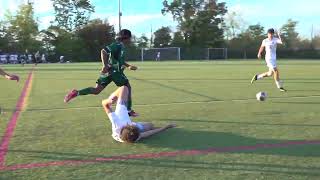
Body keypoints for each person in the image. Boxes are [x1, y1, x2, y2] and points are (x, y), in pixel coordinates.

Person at [64, 29, 139, 117]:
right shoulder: (117, 45)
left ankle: (76, 93)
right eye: (129, 38)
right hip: (114, 71)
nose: (130, 40)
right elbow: (103, 51)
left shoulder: (120, 46)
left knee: (97, 90)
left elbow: (120, 60)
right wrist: (105, 65)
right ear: (126, 38)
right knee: (127, 86)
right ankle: (128, 110)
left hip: (110, 71)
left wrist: (128, 66)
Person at [102, 86, 176, 143]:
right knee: (150, 125)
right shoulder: (136, 136)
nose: (132, 124)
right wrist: (166, 127)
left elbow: (103, 103)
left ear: (125, 126)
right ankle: (128, 113)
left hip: (121, 114)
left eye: (131, 125)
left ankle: (127, 112)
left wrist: (109, 101)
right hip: (129, 129)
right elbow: (151, 132)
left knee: (124, 88)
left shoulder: (117, 123)